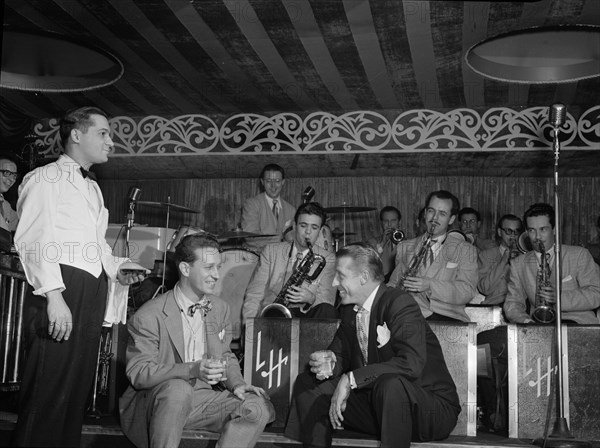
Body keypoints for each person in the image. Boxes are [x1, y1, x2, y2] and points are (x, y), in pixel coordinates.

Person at [13, 106, 145, 447]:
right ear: (76, 134)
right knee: (47, 391)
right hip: (59, 290)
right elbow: (33, 238)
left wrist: (118, 268)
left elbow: (96, 245)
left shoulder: (93, 188)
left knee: (74, 394)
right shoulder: (44, 178)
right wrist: (54, 296)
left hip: (90, 291)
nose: (111, 142)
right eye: (103, 133)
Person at [284, 243, 460, 448]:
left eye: (340, 276)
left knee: (390, 384)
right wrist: (331, 363)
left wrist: (351, 379)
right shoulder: (349, 311)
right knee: (310, 381)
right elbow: (340, 355)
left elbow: (411, 364)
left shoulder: (400, 303)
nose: (333, 283)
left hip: (428, 411)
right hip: (379, 407)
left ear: (364, 277)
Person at [119, 234, 275, 448]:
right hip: (157, 402)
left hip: (202, 401)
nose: (217, 275)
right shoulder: (149, 315)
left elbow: (226, 355)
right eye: (209, 267)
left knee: (257, 406)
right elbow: (139, 373)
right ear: (185, 269)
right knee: (178, 390)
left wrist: (237, 384)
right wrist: (191, 369)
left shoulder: (220, 308)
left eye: (218, 267)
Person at [387, 190, 478, 322]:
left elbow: (467, 291)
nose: (434, 218)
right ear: (425, 213)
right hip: (406, 317)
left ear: (451, 219)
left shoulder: (466, 250)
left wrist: (430, 285)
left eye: (442, 213)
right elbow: (393, 284)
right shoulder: (404, 247)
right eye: (431, 211)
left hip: (446, 319)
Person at [503, 202, 600, 324]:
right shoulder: (518, 264)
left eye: (543, 229)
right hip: (540, 325)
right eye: (532, 230)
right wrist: (527, 322)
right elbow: (513, 303)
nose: (537, 237)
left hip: (578, 325)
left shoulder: (579, 255)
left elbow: (596, 294)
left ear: (554, 230)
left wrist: (559, 298)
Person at [243, 202, 337, 321]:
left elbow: (327, 302)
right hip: (272, 317)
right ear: (294, 226)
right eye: (303, 226)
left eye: (314, 227)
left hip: (307, 320)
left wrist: (311, 299)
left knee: (327, 310)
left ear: (320, 230)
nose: (308, 232)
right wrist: (250, 328)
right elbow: (254, 295)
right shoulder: (271, 251)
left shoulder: (328, 259)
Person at [241, 163, 296, 251]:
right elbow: (250, 237)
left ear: (283, 182)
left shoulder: (291, 210)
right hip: (255, 258)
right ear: (262, 182)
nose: (273, 185)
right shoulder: (251, 204)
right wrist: (280, 240)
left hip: (281, 259)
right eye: (268, 181)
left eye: (277, 181)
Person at [477, 214, 523, 305]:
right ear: (499, 232)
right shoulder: (486, 255)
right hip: (495, 306)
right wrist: (504, 261)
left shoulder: (526, 256)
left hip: (521, 306)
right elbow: (484, 289)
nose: (513, 235)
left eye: (516, 231)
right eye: (508, 231)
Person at [366, 206, 402, 282]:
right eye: (386, 221)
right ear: (381, 223)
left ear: (399, 221)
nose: (389, 225)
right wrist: (382, 243)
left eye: (393, 221)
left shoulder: (407, 242)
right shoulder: (373, 242)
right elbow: (369, 263)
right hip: (381, 284)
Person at [0, 155, 19, 232]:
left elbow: (22, 224)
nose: (11, 179)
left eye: (14, 175)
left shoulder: (6, 205)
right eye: (7, 173)